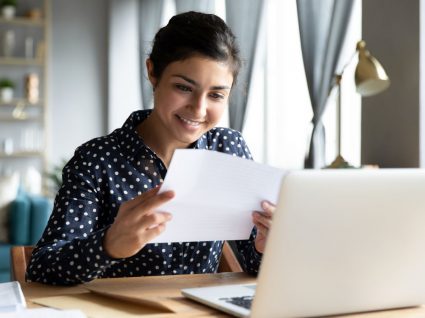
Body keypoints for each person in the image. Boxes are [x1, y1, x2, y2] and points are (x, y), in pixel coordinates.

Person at [27, 11, 275, 286]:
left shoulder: (228, 148)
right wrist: (107, 245)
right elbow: (41, 268)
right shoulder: (96, 160)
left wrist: (268, 246)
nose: (199, 108)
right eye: (183, 87)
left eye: (216, 95)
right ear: (153, 73)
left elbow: (253, 264)